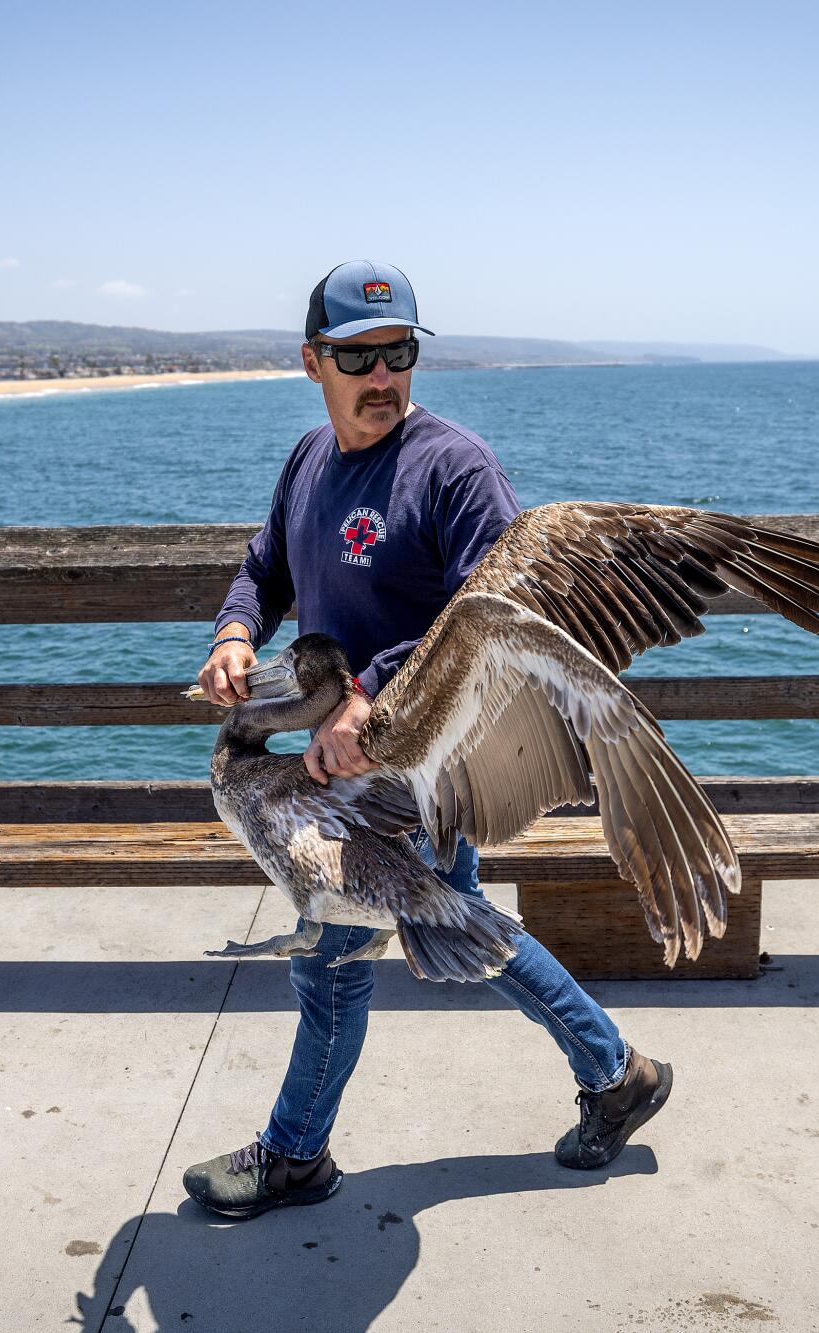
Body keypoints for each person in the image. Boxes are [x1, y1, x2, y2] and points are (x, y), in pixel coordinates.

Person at [180, 261, 672, 1221]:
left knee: (355, 950)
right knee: (449, 928)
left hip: (423, 763)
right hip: (336, 762)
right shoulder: (308, 461)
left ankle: (294, 1155)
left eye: (398, 352)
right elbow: (264, 565)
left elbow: (490, 614)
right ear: (314, 361)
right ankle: (615, 1070)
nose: (382, 376)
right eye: (358, 356)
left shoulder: (454, 468)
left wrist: (370, 693)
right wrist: (236, 630)